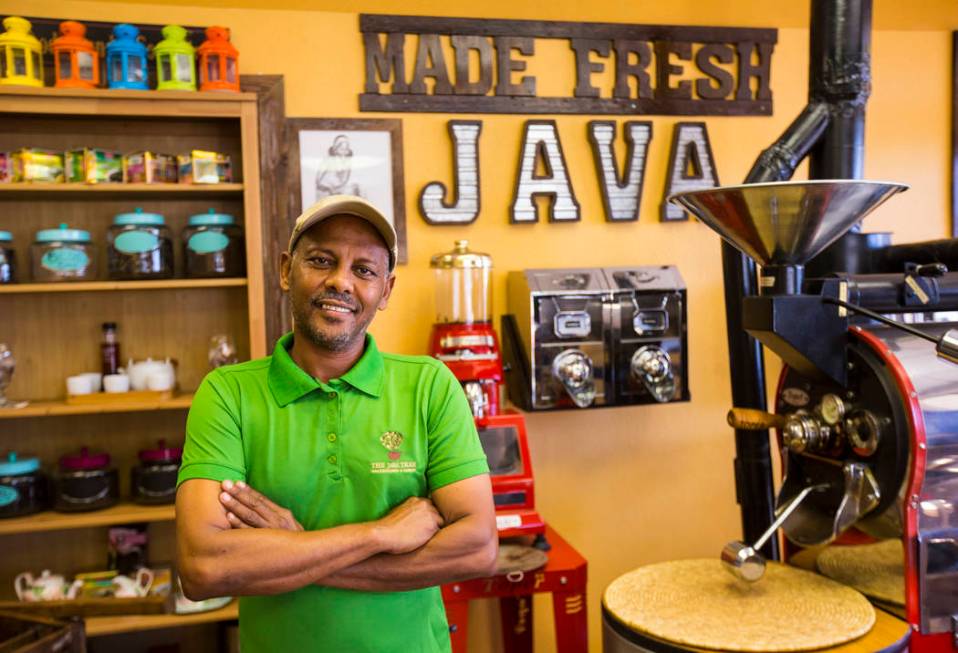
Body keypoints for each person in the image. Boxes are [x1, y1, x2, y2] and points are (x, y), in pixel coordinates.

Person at [175, 194, 498, 652]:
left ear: (385, 291)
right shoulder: (228, 394)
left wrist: (294, 549)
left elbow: (478, 548)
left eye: (363, 270)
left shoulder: (430, 386)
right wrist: (378, 534)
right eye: (322, 260)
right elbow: (203, 568)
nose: (340, 281)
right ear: (287, 270)